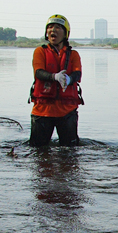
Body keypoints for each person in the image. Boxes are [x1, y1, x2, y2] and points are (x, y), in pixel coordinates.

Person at [29, 14, 83, 147]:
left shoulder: (74, 54)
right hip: (43, 110)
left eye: (58, 27)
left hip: (67, 110)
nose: (53, 30)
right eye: (50, 27)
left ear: (66, 33)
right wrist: (55, 77)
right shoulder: (39, 52)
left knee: (70, 151)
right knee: (38, 151)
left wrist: (68, 79)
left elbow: (77, 73)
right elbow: (38, 72)